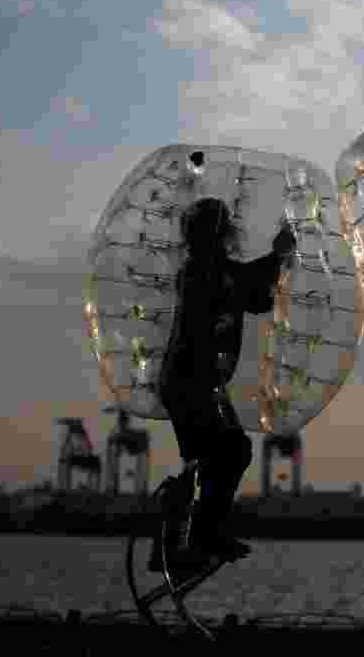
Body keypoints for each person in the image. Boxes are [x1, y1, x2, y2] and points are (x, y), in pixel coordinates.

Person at [152, 196, 296, 572]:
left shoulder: (210, 270)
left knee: (214, 457)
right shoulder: (201, 272)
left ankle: (184, 538)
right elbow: (242, 287)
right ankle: (199, 535)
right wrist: (276, 258)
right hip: (191, 384)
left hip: (195, 384)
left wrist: (276, 261)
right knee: (230, 451)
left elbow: (254, 297)